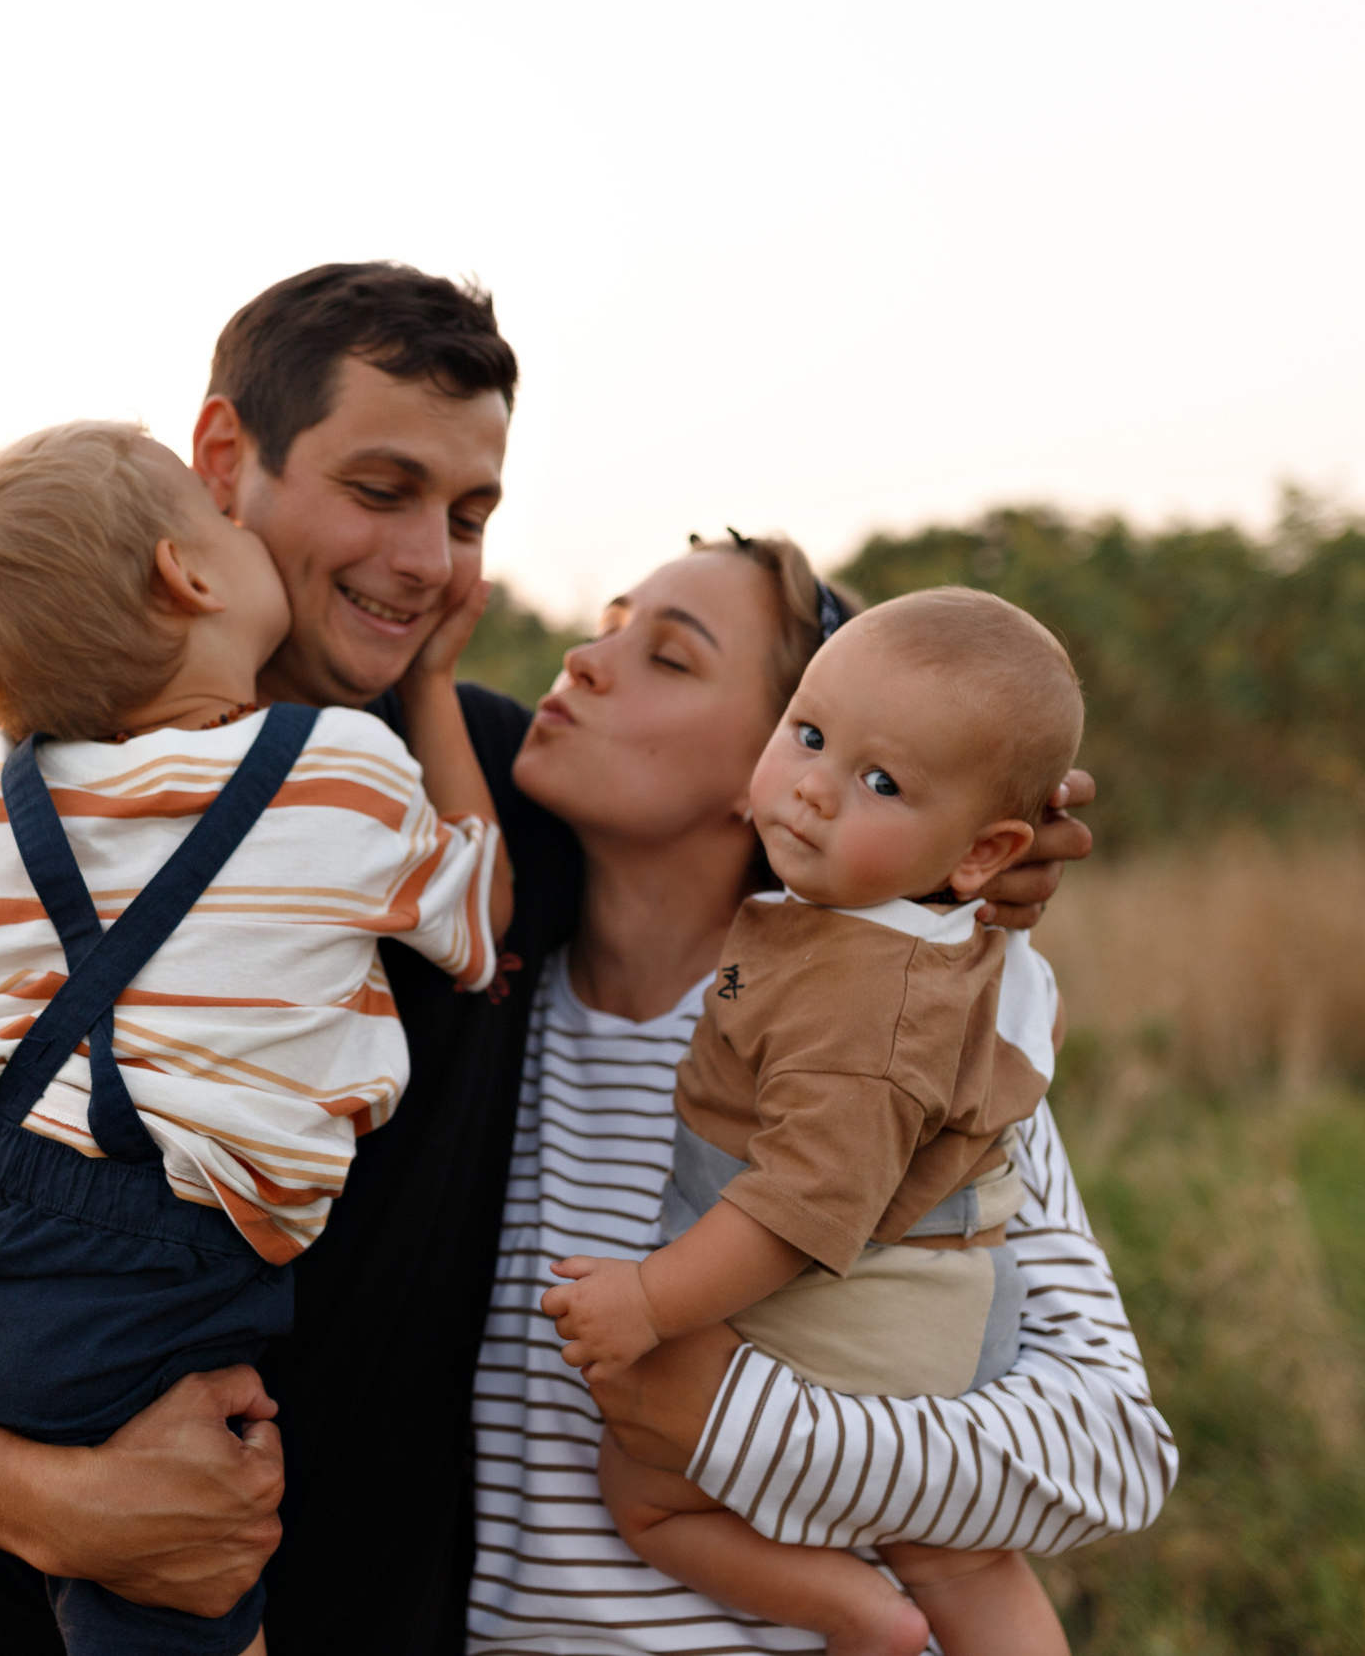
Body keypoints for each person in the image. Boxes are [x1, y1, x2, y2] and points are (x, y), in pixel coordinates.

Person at [0, 265, 1161, 1654]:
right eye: (380, 489)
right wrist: (71, 1509)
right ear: (223, 460)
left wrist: (983, 841)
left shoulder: (528, 791)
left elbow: (819, 795)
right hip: (1, 1618)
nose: (426, 560)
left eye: (469, 512)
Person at [0, 418, 508, 1655]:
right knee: (184, 1564)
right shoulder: (344, 771)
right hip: (158, 1264)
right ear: (189, 571)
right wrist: (433, 696)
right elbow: (478, 925)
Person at [469, 538, 1170, 1654]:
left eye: (670, 657)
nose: (584, 661)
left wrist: (728, 1420)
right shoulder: (473, 1020)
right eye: (606, 624)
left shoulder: (906, 1023)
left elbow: (1110, 1457)